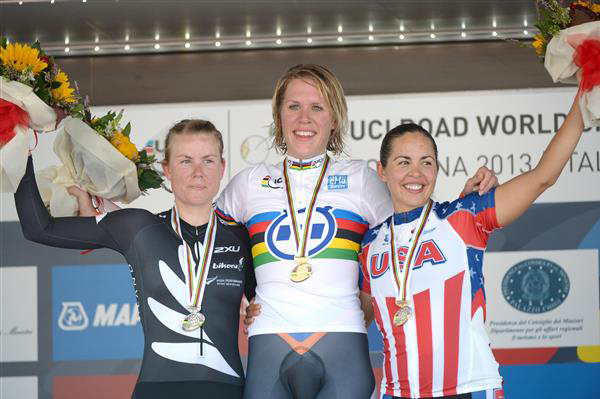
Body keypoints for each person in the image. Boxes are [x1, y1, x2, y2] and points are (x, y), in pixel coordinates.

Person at [217, 64, 496, 399]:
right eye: (294, 107)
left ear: (334, 119)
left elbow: (412, 231)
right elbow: (211, 244)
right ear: (278, 116)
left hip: (343, 335)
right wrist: (245, 291)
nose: (304, 118)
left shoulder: (360, 179)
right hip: (269, 334)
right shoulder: (248, 183)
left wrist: (464, 204)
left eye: (317, 107)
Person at [359, 88, 584, 399]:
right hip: (396, 393)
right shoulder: (369, 245)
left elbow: (542, 177)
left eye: (427, 162)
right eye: (403, 162)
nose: (416, 173)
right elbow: (356, 315)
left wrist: (583, 98)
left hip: (470, 388)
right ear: (382, 171)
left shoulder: (464, 217)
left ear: (437, 170)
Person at [15, 119, 256, 399]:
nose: (198, 172)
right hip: (156, 391)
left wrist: (257, 310)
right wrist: (20, 148)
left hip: (227, 392)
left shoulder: (242, 238)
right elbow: (39, 228)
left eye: (208, 161)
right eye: (185, 161)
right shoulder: (137, 227)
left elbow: (270, 302)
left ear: (223, 168)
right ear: (166, 169)